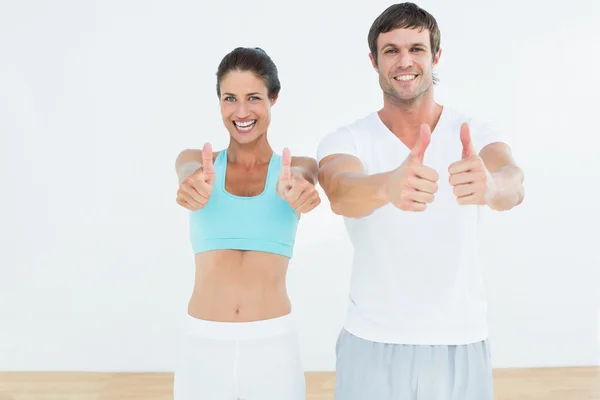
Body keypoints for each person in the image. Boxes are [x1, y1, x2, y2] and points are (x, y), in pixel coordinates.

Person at [316, 3, 525, 400]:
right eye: (391, 50)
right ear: (374, 61)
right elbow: (340, 191)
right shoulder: (348, 138)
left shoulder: (474, 131)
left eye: (416, 48)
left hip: (460, 343)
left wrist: (492, 187)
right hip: (371, 342)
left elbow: (513, 181)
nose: (404, 60)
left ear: (436, 57)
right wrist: (386, 187)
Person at [173, 46, 320, 400]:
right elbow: (186, 173)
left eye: (253, 97)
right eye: (230, 98)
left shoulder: (297, 168)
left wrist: (301, 190)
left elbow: (303, 177)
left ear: (274, 98)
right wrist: (190, 185)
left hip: (273, 348)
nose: (241, 112)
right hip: (203, 346)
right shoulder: (197, 163)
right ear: (219, 102)